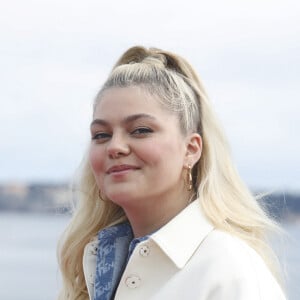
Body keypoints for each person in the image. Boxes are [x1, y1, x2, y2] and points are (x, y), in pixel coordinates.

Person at [57, 46, 286, 300]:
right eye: (101, 135)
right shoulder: (97, 266)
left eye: (140, 130)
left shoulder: (228, 270)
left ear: (191, 149)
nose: (114, 147)